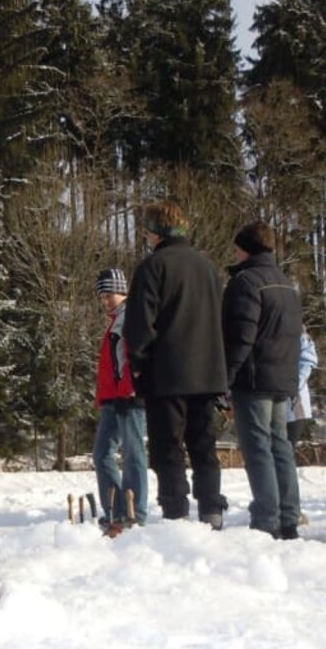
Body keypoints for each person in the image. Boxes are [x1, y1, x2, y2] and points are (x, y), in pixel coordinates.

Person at [124, 199, 228, 528]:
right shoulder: (208, 267)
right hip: (208, 372)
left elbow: (140, 323)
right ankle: (212, 511)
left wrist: (138, 363)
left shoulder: (153, 267)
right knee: (204, 445)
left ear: (155, 232)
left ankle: (176, 513)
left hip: (167, 372)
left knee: (168, 447)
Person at [222, 220, 304, 539]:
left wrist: (227, 377)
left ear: (245, 249)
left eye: (237, 248)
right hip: (282, 378)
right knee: (280, 446)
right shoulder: (286, 284)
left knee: (258, 447)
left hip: (254, 379)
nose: (235, 253)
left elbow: (241, 336)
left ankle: (267, 517)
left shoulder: (246, 283)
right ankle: (288, 515)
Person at [92, 267, 149, 528]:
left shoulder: (130, 317)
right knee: (102, 452)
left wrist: (131, 388)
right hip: (112, 398)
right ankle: (115, 508)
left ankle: (134, 512)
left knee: (133, 453)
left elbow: (133, 356)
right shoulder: (115, 319)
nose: (104, 301)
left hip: (129, 396)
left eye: (108, 294)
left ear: (121, 291)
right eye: (102, 296)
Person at [287, 328, 318, 444]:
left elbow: (307, 363)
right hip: (266, 402)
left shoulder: (300, 334)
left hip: (294, 405)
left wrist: (293, 385)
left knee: (286, 450)